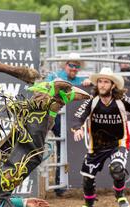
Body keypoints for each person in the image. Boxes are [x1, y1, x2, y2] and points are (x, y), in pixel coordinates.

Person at [72, 67, 130, 207]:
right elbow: (79, 116)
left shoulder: (122, 101)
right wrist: (78, 128)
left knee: (117, 168)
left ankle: (120, 195)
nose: (102, 85)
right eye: (100, 82)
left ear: (113, 85)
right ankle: (88, 204)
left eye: (106, 82)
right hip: (96, 146)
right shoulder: (93, 101)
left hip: (118, 143)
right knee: (87, 177)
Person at [45, 53, 92, 197]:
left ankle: (60, 186)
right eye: (71, 65)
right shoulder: (54, 76)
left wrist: (89, 82)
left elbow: (92, 86)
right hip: (52, 115)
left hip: (65, 118)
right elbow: (46, 86)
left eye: (76, 66)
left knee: (63, 146)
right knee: (54, 143)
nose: (74, 68)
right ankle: (51, 183)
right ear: (65, 65)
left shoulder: (80, 80)